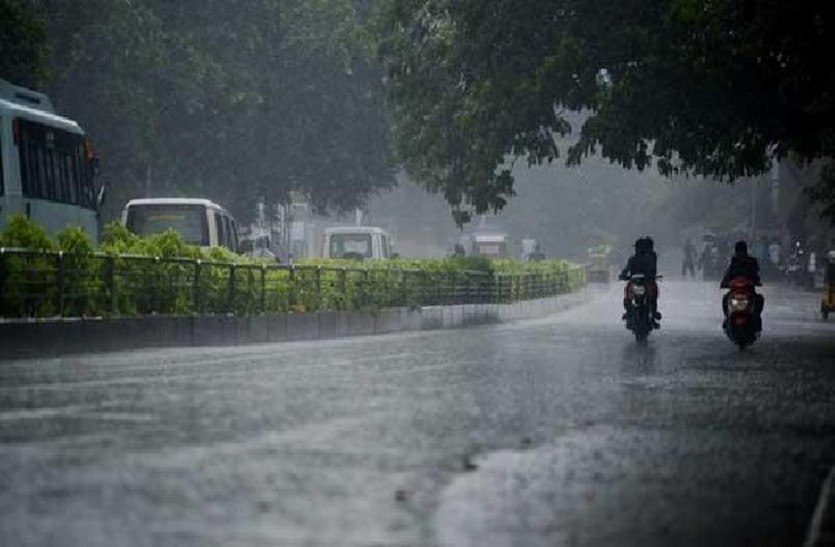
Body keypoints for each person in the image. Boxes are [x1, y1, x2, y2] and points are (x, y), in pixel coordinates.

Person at [720, 240, 764, 331]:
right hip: (735, 291)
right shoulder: (734, 261)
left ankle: (756, 318)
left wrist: (756, 281)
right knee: (725, 299)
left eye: (742, 250)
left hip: (748, 291)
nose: (740, 252)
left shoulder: (752, 261)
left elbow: (756, 274)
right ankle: (727, 318)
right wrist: (724, 282)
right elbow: (728, 274)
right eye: (739, 250)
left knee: (759, 299)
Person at [620, 237, 661, 327]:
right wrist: (623, 275)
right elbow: (626, 269)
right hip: (637, 282)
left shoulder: (650, 257)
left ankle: (653, 314)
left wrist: (623, 275)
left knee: (652, 296)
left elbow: (653, 270)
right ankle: (629, 312)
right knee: (627, 295)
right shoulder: (636, 258)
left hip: (647, 282)